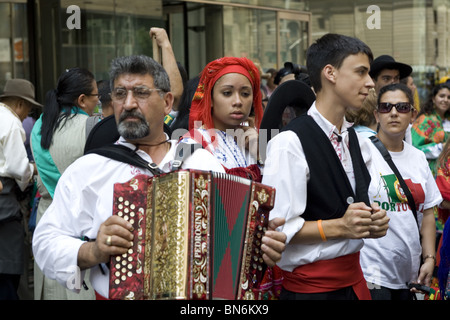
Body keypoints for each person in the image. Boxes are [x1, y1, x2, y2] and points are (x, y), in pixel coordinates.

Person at [32, 55, 285, 300]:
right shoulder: (90, 169)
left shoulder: (199, 160)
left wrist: (258, 246)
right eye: (120, 94)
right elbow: (45, 242)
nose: (128, 103)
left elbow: (228, 246)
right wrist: (93, 250)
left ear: (166, 102)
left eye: (141, 93)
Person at [261, 33, 390, 300]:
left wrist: (370, 222)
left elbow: (352, 212)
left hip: (354, 282)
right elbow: (280, 228)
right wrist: (342, 226)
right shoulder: (290, 142)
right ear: (330, 73)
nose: (369, 83)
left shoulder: (357, 140)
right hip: (311, 291)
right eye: (361, 72)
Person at [360, 83, 441, 300]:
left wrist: (430, 258)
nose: (394, 113)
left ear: (413, 115)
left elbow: (427, 214)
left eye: (402, 107)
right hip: (372, 272)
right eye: (386, 107)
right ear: (376, 114)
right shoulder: (361, 152)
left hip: (409, 274)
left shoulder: (419, 158)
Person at [30, 67, 100, 300]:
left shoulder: (39, 127)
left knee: (53, 285)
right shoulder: (92, 127)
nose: (97, 102)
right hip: (80, 220)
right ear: (82, 99)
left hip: (47, 217)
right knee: (78, 287)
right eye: (95, 96)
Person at [180, 57, 265, 181]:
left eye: (245, 94)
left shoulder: (255, 138)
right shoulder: (194, 145)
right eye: (227, 93)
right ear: (210, 99)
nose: (238, 101)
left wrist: (260, 154)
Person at [0, 78, 41, 300]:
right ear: (19, 104)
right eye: (28, 108)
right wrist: (33, 171)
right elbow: (18, 167)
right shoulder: (11, 122)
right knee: (8, 268)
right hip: (5, 199)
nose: (28, 115)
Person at [411, 83, 450, 176]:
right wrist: (442, 147)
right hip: (431, 173)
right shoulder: (424, 120)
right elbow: (415, 149)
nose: (446, 100)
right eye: (442, 96)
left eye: (449, 97)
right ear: (433, 99)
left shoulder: (448, 120)